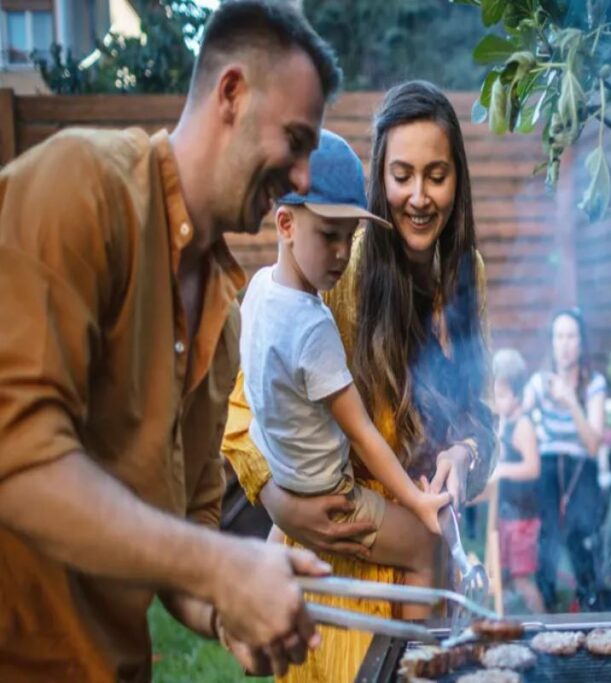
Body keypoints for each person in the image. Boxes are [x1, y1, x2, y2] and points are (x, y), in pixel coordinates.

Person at [0, 2, 351, 680]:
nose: (304, 179)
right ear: (232, 93)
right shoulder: (83, 186)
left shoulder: (225, 310)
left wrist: (227, 609)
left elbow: (185, 530)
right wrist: (223, 566)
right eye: (298, 140)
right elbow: (17, 457)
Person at [222, 80, 496, 682]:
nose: (419, 197)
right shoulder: (339, 261)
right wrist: (285, 507)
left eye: (436, 175)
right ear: (380, 178)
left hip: (423, 563)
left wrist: (466, 452)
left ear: (458, 181)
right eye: (402, 175)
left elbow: (482, 414)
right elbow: (247, 412)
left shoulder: (466, 271)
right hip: (338, 559)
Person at [241, 129, 451, 615]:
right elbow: (363, 436)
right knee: (427, 548)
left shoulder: (257, 290)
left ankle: (256, 607)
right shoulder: (314, 326)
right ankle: (411, 663)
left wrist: (280, 499)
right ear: (286, 223)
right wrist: (419, 505)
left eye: (351, 237)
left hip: (286, 474)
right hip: (331, 495)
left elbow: (259, 393)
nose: (342, 253)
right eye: (329, 236)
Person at [524, 308, 608, 612]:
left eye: (571, 336)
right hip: (547, 465)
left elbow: (593, 445)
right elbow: (518, 415)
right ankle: (546, 607)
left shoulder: (594, 384)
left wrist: (572, 401)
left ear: (581, 343)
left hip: (580, 466)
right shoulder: (538, 382)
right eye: (559, 336)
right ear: (552, 342)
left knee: (581, 533)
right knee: (548, 535)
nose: (565, 343)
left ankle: (590, 604)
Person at [489, 348, 545, 614]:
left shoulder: (523, 425)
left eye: (501, 396)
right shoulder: (504, 422)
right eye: (494, 395)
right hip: (507, 513)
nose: (496, 401)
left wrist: (502, 470)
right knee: (508, 577)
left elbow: (533, 468)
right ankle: (512, 624)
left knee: (522, 579)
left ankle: (547, 624)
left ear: (517, 395)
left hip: (523, 517)